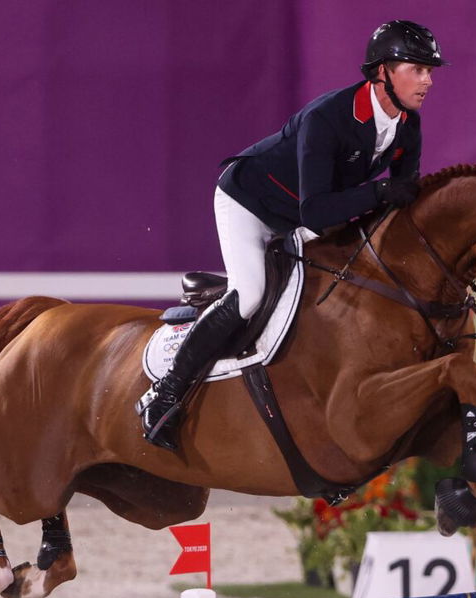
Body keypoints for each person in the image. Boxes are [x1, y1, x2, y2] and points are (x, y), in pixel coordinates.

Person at [140, 20, 445, 450]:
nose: (428, 80)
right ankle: (164, 394)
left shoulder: (407, 126)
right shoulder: (328, 118)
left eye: (430, 71)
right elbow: (317, 211)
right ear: (382, 72)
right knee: (250, 295)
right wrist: (379, 191)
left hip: (300, 215)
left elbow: (398, 205)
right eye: (417, 69)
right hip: (250, 202)